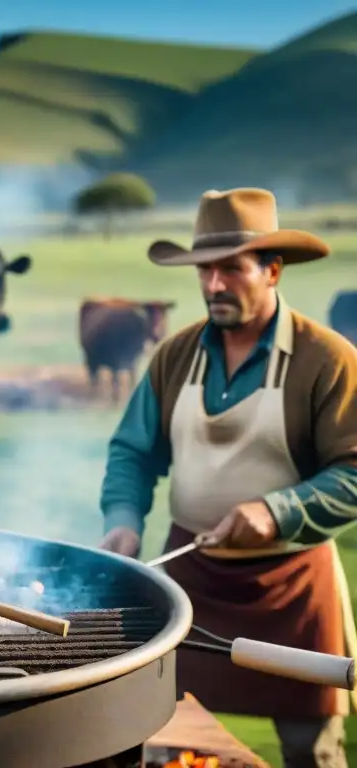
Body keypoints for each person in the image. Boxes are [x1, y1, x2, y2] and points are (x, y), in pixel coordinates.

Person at [97, 188, 357, 768]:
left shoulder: (328, 359)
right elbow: (132, 452)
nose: (213, 285)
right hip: (188, 579)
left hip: (293, 586)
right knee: (159, 736)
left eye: (230, 270)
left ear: (271, 270)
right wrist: (122, 521)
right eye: (204, 270)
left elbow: (354, 471)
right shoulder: (174, 355)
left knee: (310, 752)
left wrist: (276, 512)